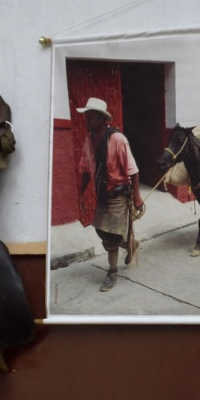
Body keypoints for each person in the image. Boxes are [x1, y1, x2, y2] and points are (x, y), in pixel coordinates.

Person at [76, 97, 144, 292]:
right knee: (100, 229)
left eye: (90, 117)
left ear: (101, 119)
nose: (86, 121)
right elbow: (86, 171)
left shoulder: (118, 139)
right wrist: (81, 195)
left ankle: (112, 272)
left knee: (111, 237)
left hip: (119, 195)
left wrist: (137, 197)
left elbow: (133, 171)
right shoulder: (89, 141)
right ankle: (131, 244)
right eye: (86, 117)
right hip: (102, 195)